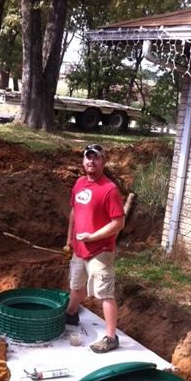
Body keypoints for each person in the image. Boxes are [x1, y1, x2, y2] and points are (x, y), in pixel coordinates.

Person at [65, 144, 125, 353]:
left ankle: (111, 337)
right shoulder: (80, 183)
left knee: (104, 293)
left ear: (103, 162)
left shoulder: (110, 189)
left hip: (101, 250)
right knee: (76, 285)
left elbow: (118, 223)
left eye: (96, 158)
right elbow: (74, 212)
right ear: (83, 161)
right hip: (79, 248)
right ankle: (71, 314)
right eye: (88, 158)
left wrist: (93, 236)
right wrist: (69, 238)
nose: (91, 161)